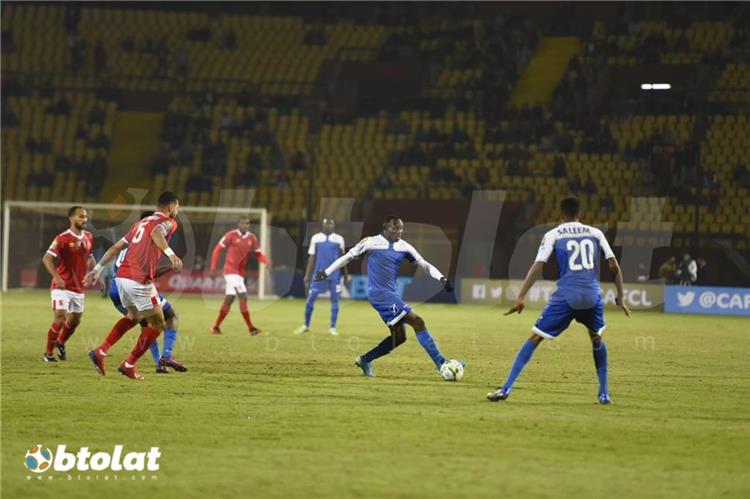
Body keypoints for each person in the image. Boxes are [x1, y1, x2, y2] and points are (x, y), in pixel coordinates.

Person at [487, 197, 631, 404]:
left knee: (535, 338)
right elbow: (614, 266)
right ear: (581, 214)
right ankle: (604, 393)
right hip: (592, 295)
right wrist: (621, 297)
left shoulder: (553, 234)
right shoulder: (596, 233)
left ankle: (506, 389)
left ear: (561, 215)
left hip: (566, 296)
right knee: (596, 338)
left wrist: (521, 297)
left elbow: (538, 266)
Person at [314, 216, 457, 378]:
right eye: (394, 228)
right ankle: (441, 362)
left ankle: (365, 360)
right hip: (379, 295)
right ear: (385, 228)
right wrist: (326, 272)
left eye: (401, 228)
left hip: (391, 294)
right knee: (418, 321)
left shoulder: (404, 247)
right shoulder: (370, 242)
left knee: (399, 337)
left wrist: (442, 278)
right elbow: (347, 257)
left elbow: (423, 264)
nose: (399, 231)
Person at [84, 192, 183, 380]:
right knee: (159, 323)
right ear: (170, 207)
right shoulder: (168, 222)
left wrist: (97, 269)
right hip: (139, 280)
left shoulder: (139, 224)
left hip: (121, 278)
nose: (177, 211)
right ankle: (129, 364)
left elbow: (115, 248)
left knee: (135, 316)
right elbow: (157, 233)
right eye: (177, 207)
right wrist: (171, 254)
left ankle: (101, 351)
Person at [108, 211, 187, 374]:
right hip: (133, 285)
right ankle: (163, 358)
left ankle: (103, 351)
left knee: (145, 323)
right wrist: (170, 261)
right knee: (168, 316)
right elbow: (145, 273)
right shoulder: (143, 244)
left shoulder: (130, 239)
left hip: (116, 289)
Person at [41, 206, 95, 362]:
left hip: (78, 288)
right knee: (60, 317)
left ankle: (61, 342)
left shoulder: (89, 237)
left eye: (85, 217)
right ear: (71, 218)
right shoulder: (62, 238)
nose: (84, 220)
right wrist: (57, 277)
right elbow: (47, 258)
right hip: (61, 286)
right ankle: (48, 353)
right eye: (80, 216)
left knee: (75, 321)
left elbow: (89, 257)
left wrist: (95, 272)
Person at [209, 216, 270, 335]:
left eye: (247, 224)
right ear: (238, 224)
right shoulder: (230, 235)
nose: (245, 226)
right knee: (243, 295)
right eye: (243, 224)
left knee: (230, 299)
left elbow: (258, 254)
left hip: (240, 273)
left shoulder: (252, 238)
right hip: (230, 271)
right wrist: (213, 267)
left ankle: (215, 327)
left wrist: (265, 261)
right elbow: (217, 250)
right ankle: (251, 328)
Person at [294, 218, 349, 336]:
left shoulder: (339, 239)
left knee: (335, 300)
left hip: (334, 275)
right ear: (322, 226)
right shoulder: (316, 238)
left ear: (333, 226)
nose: (329, 226)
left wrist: (346, 275)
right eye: (326, 224)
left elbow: (343, 259)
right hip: (319, 275)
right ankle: (306, 325)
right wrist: (308, 275)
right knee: (311, 298)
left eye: (331, 224)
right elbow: (312, 257)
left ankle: (332, 328)